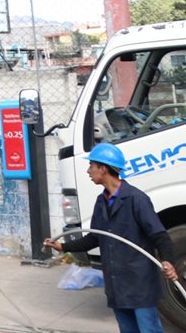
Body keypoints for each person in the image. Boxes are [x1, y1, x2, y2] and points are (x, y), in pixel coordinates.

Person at [45, 142, 178, 333]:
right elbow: (94, 238)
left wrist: (168, 261)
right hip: (116, 283)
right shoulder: (101, 202)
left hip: (139, 283)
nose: (88, 171)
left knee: (149, 329)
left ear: (103, 168)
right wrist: (63, 247)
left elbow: (159, 235)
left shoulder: (136, 199)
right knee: (127, 329)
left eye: (91, 166)